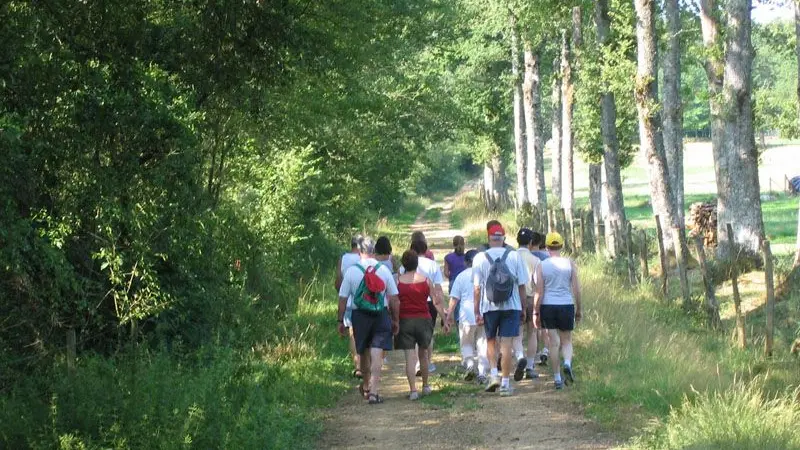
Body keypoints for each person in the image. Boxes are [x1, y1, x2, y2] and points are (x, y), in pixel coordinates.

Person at [337, 237, 400, 404]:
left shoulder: (351, 271)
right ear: (373, 251)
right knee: (377, 351)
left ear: (359, 251)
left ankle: (365, 386)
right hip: (380, 314)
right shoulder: (383, 270)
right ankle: (374, 391)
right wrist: (395, 320)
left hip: (359, 316)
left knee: (363, 351)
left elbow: (342, 298)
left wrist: (340, 321)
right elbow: (394, 298)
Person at [473, 222, 529, 396]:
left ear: (489, 238)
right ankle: (505, 384)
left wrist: (476, 310)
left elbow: (477, 288)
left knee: (490, 341)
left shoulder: (480, 258)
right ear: (503, 238)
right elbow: (522, 285)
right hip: (511, 306)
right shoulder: (514, 256)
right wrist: (523, 308)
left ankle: (493, 375)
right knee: (507, 345)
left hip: (489, 306)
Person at [533, 232, 583, 390]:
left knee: (553, 343)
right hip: (566, 304)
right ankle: (567, 363)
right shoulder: (570, 264)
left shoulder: (541, 266)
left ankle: (557, 378)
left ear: (546, 247)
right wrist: (579, 309)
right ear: (561, 246)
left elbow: (539, 291)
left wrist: (536, 311)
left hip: (548, 305)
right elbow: (576, 289)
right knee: (566, 340)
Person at [395, 250, 446, 400]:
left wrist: (394, 320)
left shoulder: (398, 281)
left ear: (403, 264)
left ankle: (413, 391)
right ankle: (425, 386)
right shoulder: (425, 280)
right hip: (423, 320)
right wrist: (444, 317)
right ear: (417, 264)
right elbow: (435, 301)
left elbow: (394, 302)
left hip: (405, 321)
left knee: (409, 358)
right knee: (423, 355)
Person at [401, 239, 445, 374]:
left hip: (409, 301)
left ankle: (416, 363)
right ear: (425, 250)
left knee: (412, 336)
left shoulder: (404, 266)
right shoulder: (433, 264)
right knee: (428, 334)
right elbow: (438, 289)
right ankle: (426, 362)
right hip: (429, 303)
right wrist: (443, 312)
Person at [445, 249, 488, 383]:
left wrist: (448, 315)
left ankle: (469, 365)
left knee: (467, 342)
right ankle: (482, 372)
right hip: (483, 313)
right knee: (482, 344)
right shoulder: (485, 275)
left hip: (466, 315)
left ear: (465, 262)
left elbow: (454, 298)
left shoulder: (461, 276)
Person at [516, 228, 543, 380]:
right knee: (532, 333)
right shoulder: (535, 260)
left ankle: (520, 357)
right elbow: (538, 284)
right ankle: (530, 366)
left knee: (518, 334)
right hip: (531, 298)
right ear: (531, 243)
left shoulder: (512, 257)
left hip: (515, 299)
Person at [335, 235, 364, 378]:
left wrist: (342, 294)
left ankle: (358, 365)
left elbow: (338, 281)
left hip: (348, 302)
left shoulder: (343, 259)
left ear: (351, 245)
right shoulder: (363, 259)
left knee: (353, 333)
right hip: (365, 301)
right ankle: (367, 363)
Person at [443, 236, 467, 324]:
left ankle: (458, 321)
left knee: (456, 304)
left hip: (454, 282)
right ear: (464, 244)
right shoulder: (467, 257)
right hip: (466, 282)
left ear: (453, 245)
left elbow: (446, 273)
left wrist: (451, 275)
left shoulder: (448, 257)